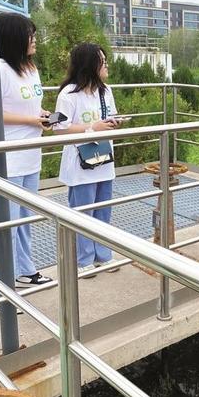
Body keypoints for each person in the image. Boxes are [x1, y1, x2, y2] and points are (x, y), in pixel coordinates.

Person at [0, 12, 53, 303]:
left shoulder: (29, 68)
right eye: (29, 35)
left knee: (23, 219)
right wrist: (30, 120)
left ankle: (24, 270)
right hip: (3, 159)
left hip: (30, 157)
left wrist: (41, 116)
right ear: (12, 38)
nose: (34, 40)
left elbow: (29, 108)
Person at [54, 43, 122, 275]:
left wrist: (113, 123)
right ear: (90, 65)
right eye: (102, 61)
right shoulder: (69, 94)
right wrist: (92, 127)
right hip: (80, 163)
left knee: (103, 210)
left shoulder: (105, 91)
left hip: (104, 158)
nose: (106, 65)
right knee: (83, 213)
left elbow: (109, 116)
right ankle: (83, 261)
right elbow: (59, 129)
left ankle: (103, 255)